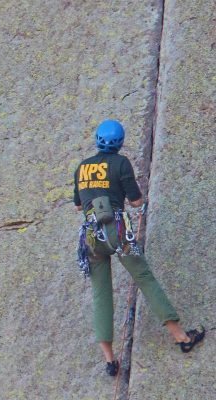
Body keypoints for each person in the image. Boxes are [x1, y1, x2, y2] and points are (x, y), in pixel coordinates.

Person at [73, 119, 205, 376]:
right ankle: (181, 337)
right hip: (117, 232)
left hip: (91, 237)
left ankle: (110, 360)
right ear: (120, 143)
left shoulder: (83, 167)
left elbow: (79, 205)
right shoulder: (121, 163)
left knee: (101, 292)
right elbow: (135, 201)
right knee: (143, 276)